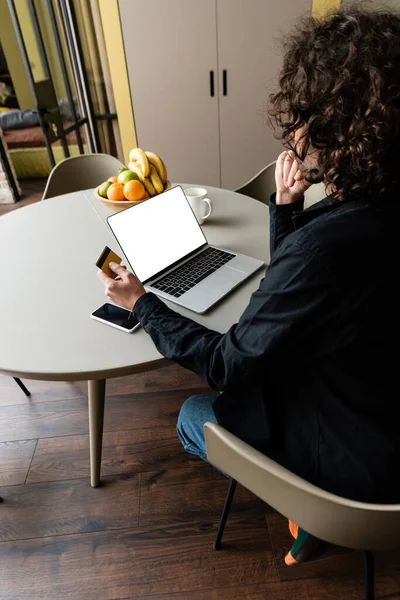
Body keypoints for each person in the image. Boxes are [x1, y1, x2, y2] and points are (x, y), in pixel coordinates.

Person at [97, 7, 400, 565]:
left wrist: (145, 303)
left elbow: (227, 363)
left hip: (360, 474)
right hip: (379, 405)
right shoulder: (369, 205)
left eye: (304, 114)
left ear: (338, 127)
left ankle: (313, 513)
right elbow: (311, 297)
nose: (292, 130)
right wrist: (286, 205)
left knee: (193, 416)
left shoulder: (327, 244)